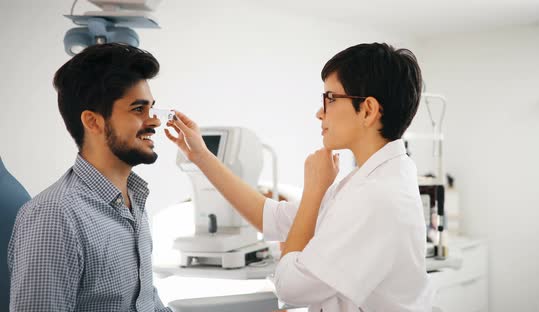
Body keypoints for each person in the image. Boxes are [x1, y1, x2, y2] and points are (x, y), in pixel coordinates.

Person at [165, 42, 431, 311]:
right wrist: (201, 156)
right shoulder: (370, 180)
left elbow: (290, 287)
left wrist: (315, 188)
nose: (319, 112)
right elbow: (269, 216)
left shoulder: (377, 195)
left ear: (368, 110)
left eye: (330, 98)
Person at [8, 43, 171, 312]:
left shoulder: (134, 201)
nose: (154, 122)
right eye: (138, 110)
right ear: (93, 121)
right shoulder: (55, 216)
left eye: (151, 109)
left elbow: (147, 303)